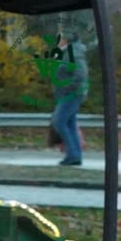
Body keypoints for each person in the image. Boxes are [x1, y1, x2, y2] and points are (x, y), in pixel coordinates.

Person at [49, 30, 88, 166]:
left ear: (67, 39)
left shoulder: (73, 53)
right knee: (70, 124)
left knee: (59, 122)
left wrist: (67, 88)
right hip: (67, 95)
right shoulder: (67, 52)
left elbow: (80, 75)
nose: (57, 40)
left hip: (71, 95)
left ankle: (73, 155)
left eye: (60, 38)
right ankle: (75, 156)